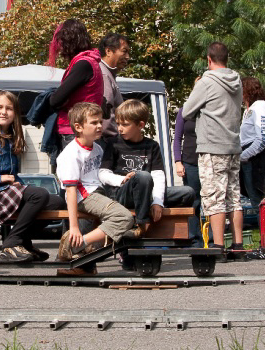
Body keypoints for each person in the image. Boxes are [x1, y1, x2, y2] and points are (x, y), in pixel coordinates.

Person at [0, 92, 66, 262]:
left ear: (15, 113)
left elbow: (12, 176)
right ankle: (12, 242)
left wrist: (17, 183)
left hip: (5, 192)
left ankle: (23, 241)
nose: (3, 112)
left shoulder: (10, 138)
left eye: (9, 108)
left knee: (58, 203)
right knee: (40, 195)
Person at [55, 102, 136, 276]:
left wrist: (122, 180)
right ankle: (77, 243)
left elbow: (102, 175)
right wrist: (74, 227)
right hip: (86, 196)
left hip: (100, 193)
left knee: (125, 219)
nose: (100, 126)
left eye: (100, 121)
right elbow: (70, 191)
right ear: (78, 127)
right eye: (94, 122)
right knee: (123, 218)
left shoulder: (97, 148)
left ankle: (83, 260)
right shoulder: (71, 154)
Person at [182, 42, 244, 258]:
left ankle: (218, 247)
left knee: (214, 196)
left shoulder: (206, 81)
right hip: (233, 145)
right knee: (233, 196)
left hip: (212, 146)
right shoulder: (237, 80)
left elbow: (187, 111)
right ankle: (238, 245)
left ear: (209, 59)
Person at [99, 99, 195, 235]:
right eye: (118, 124)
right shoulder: (113, 143)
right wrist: (122, 180)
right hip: (121, 193)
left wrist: (157, 201)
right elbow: (103, 173)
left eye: (125, 124)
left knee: (188, 192)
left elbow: (158, 176)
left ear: (140, 125)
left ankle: (182, 232)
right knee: (143, 176)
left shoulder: (152, 145)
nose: (119, 128)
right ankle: (141, 225)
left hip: (146, 193)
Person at [48, 19, 104, 145]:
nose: (59, 47)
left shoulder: (83, 64)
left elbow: (55, 100)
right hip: (83, 129)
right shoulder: (90, 62)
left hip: (74, 130)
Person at [239, 77, 265, 211]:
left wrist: (244, 156)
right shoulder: (249, 110)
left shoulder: (260, 107)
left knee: (259, 201)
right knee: (254, 199)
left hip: (255, 160)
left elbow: (261, 140)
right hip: (247, 158)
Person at [173, 107, 203, 247]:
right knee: (194, 202)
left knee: (212, 202)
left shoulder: (211, 109)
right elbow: (177, 138)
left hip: (209, 161)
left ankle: (213, 240)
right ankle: (195, 240)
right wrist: (178, 162)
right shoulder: (185, 111)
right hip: (190, 162)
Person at [98, 32, 129, 140]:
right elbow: (106, 115)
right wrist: (118, 136)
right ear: (108, 51)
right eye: (124, 51)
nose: (127, 57)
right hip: (107, 141)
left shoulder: (108, 73)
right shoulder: (103, 74)